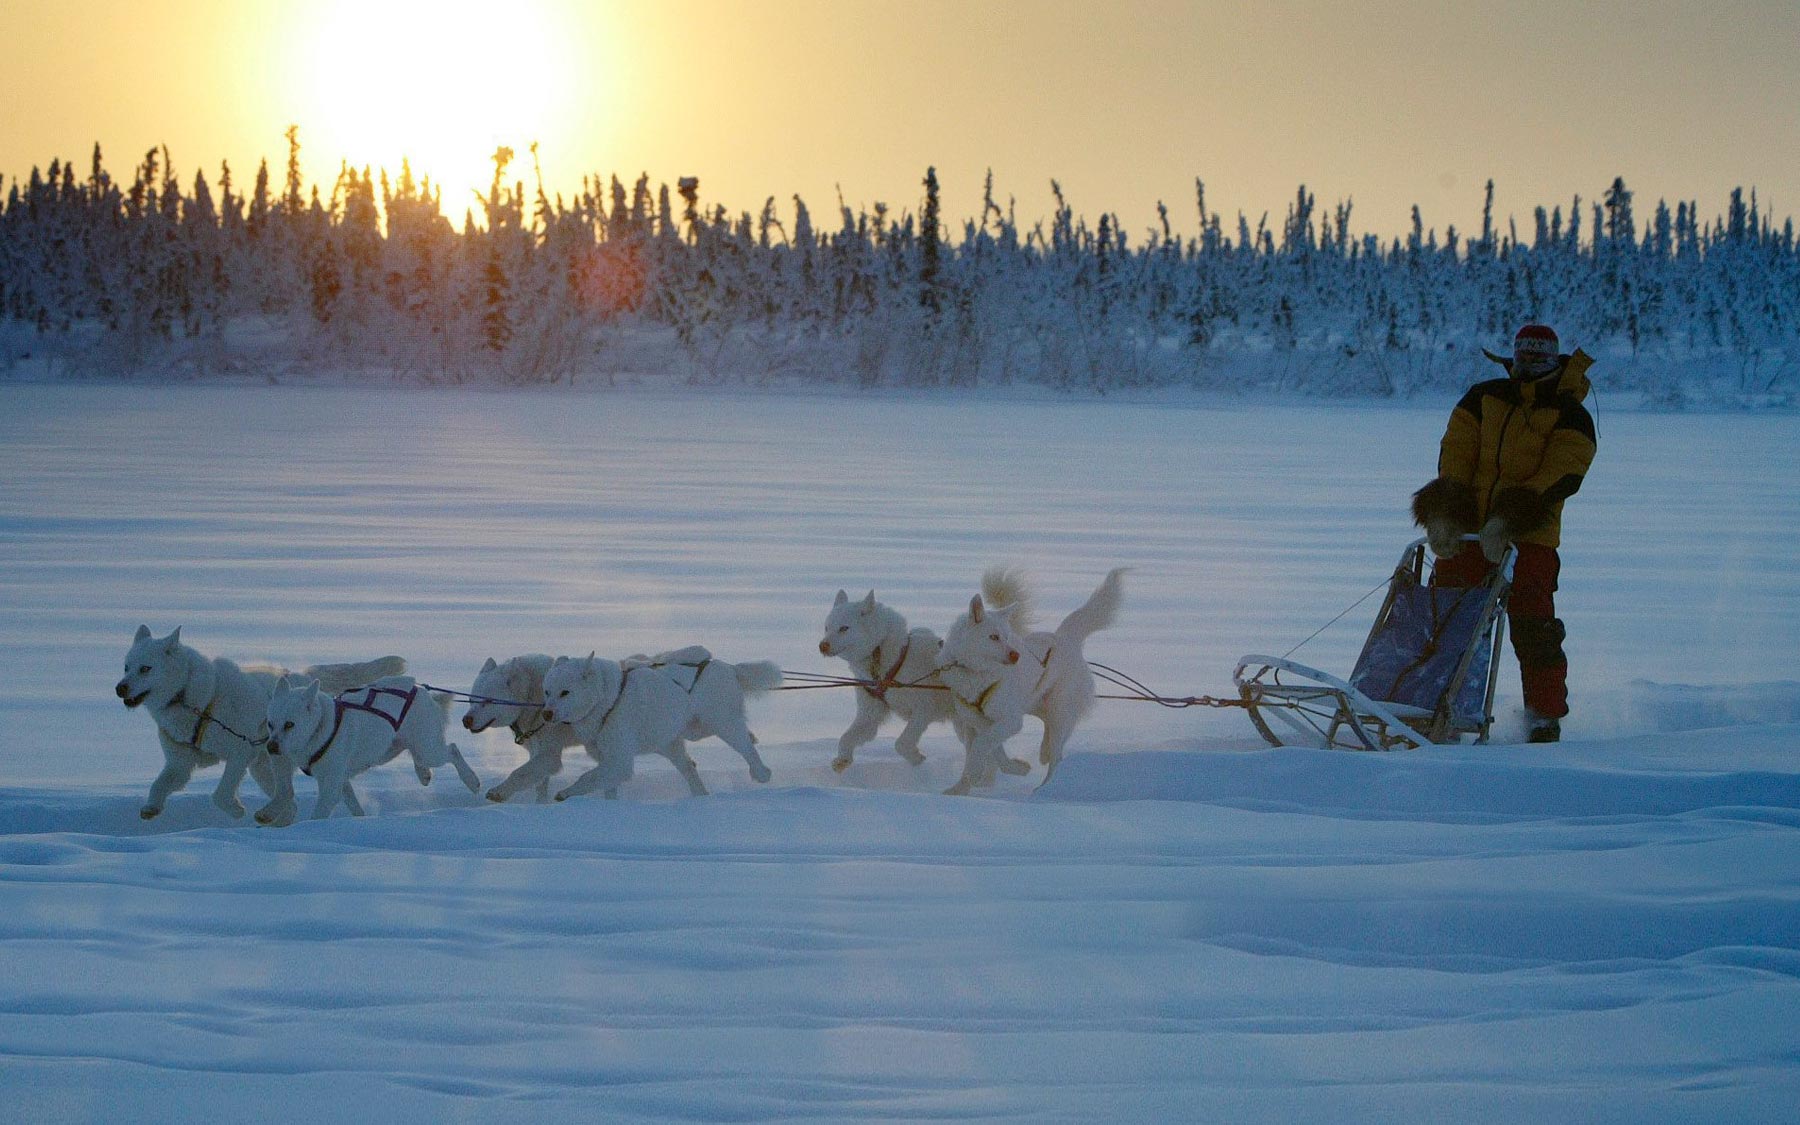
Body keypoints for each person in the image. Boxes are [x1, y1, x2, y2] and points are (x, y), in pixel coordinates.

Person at [1410, 324, 1597, 743]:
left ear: (1553, 360)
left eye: (1539, 358)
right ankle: (1441, 707)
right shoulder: (1484, 397)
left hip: (1530, 536)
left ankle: (1543, 717)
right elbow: (1456, 454)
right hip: (1471, 534)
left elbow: (1561, 474)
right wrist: (1445, 512)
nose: (1528, 365)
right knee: (1446, 619)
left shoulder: (1571, 415)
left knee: (1534, 627)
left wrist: (1510, 518)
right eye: (1523, 356)